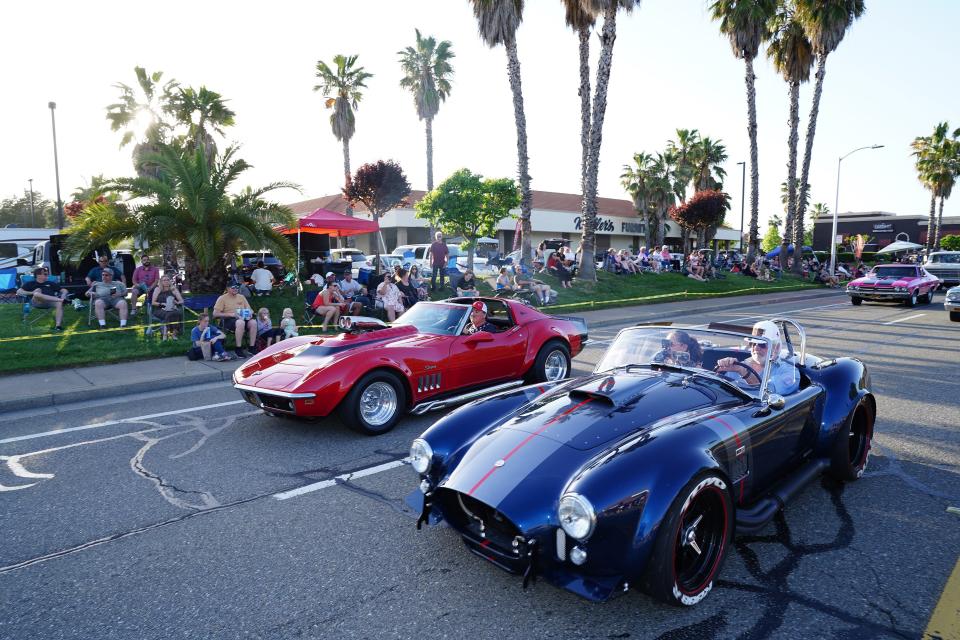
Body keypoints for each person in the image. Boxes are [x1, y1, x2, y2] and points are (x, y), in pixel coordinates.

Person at [715, 320, 799, 395]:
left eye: (762, 345)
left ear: (776, 347)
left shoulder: (790, 372)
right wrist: (717, 373)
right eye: (753, 343)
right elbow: (722, 393)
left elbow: (765, 393)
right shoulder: (738, 366)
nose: (755, 348)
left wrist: (744, 372)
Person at [213, 280, 258, 358]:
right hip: (227, 320)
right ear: (228, 288)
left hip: (243, 318)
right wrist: (231, 314)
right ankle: (238, 348)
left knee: (253, 322)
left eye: (237, 287)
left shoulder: (241, 297)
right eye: (233, 287)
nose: (235, 289)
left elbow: (250, 309)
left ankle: (252, 347)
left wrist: (250, 313)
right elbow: (215, 314)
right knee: (240, 322)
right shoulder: (222, 298)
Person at [150, 275, 184, 339]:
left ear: (170, 281)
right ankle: (165, 334)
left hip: (172, 308)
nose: (166, 281)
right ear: (161, 282)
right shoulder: (158, 289)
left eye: (168, 280)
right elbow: (153, 302)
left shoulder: (173, 289)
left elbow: (181, 300)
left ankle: (174, 333)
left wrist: (177, 302)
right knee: (169, 314)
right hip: (159, 309)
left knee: (177, 313)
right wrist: (161, 304)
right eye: (164, 280)